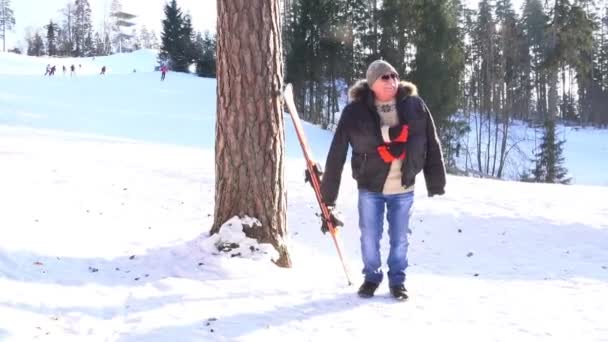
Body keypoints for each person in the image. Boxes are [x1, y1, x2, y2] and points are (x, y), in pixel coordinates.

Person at [320, 60, 446, 301]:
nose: (391, 81)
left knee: (400, 238)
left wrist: (436, 180)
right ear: (372, 82)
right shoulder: (355, 111)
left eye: (394, 76)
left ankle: (398, 281)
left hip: (404, 185)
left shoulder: (415, 106)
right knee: (369, 236)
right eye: (384, 77)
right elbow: (337, 151)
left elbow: (431, 141)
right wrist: (329, 193)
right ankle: (371, 278)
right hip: (370, 185)